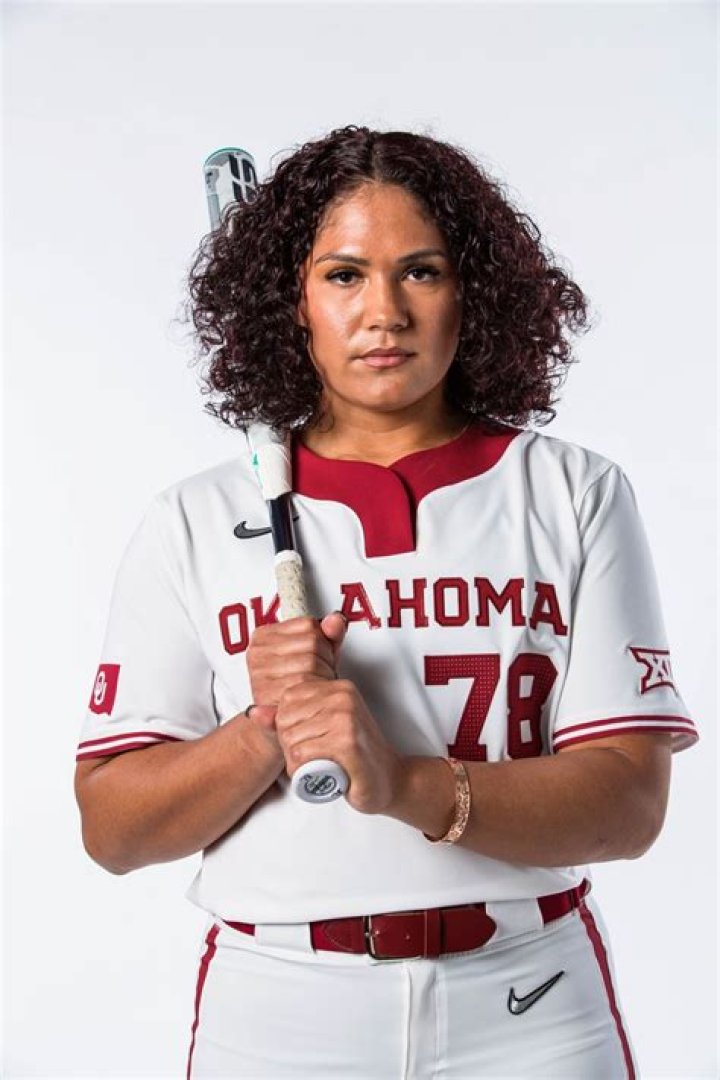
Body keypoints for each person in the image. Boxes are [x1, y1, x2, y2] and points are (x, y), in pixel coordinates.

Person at [74, 125, 698, 1079]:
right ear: (291, 302)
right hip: (281, 1011)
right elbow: (113, 831)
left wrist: (403, 783)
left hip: (529, 1000)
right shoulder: (190, 520)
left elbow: (630, 805)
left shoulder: (572, 492)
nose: (384, 313)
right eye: (343, 275)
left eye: (421, 272)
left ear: (473, 292)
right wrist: (263, 730)